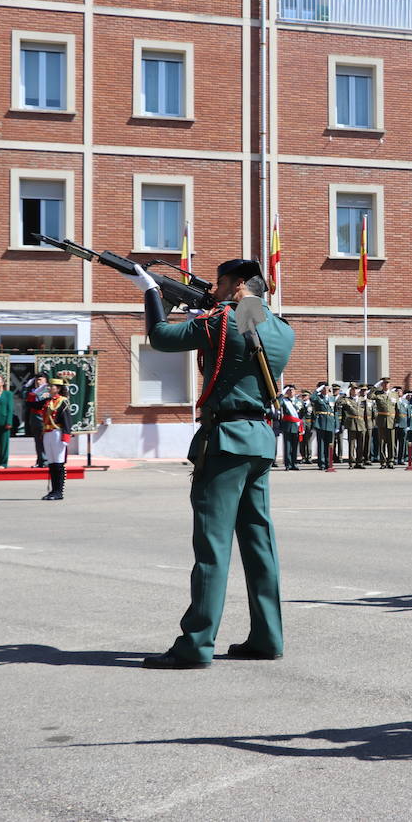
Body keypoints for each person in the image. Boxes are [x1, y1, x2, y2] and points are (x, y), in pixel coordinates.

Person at [127, 257, 293, 670]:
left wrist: (151, 292)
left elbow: (162, 336)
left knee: (212, 549)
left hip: (224, 443)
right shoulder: (280, 329)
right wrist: (207, 307)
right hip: (258, 441)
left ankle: (196, 644)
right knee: (259, 546)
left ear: (237, 285)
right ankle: (266, 636)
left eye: (220, 285)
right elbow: (245, 329)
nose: (215, 290)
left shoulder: (223, 321)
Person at [39, 379, 72, 501]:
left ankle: (59, 491)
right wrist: (38, 389)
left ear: (57, 388)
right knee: (52, 463)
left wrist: (66, 436)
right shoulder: (47, 401)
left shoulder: (63, 401)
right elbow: (31, 402)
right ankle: (53, 490)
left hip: (58, 433)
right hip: (47, 433)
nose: (49, 388)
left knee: (58, 463)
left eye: (51, 386)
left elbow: (67, 420)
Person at [369, 378, 396, 469]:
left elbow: (397, 408)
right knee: (382, 442)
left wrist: (398, 420)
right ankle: (383, 462)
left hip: (392, 421)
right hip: (382, 421)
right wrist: (375, 387)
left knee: (391, 442)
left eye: (387, 383)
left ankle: (391, 461)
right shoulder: (378, 393)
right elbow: (369, 396)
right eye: (384, 383)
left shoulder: (394, 394)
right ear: (382, 384)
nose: (386, 385)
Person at [25, 375, 49, 467]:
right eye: (36, 380)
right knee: (38, 441)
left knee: (44, 440)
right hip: (34, 418)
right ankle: (40, 460)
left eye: (39, 379)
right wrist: (27, 387)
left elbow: (38, 400)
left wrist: (31, 395)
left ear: (45, 380)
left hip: (42, 417)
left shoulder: (46, 389)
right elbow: (26, 400)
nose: (37, 381)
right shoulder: (34, 390)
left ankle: (45, 460)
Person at [310, 383, 335, 470]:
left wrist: (337, 425)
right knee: (321, 444)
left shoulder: (332, 398)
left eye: (327, 388)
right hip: (321, 423)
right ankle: (322, 463)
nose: (326, 389)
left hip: (330, 423)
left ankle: (329, 462)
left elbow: (335, 412)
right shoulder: (318, 397)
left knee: (329, 444)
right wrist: (317, 390)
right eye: (324, 388)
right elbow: (311, 398)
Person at [276, 385, 301, 470]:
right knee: (287, 446)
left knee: (295, 446)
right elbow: (277, 404)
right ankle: (288, 464)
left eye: (292, 390)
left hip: (297, 426)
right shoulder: (284, 400)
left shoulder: (299, 401)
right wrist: (281, 394)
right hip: (288, 426)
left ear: (295, 391)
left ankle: (294, 463)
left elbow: (303, 414)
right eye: (289, 390)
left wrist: (302, 425)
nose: (291, 392)